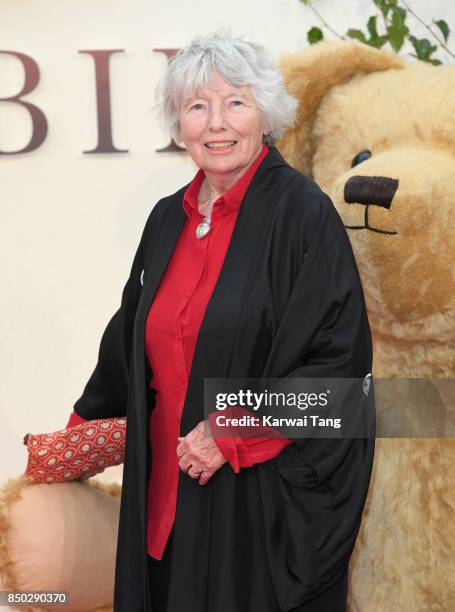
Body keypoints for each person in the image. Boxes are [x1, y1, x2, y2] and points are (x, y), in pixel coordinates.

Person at [66, 32, 375, 612]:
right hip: (159, 510)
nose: (216, 123)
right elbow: (129, 342)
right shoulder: (165, 220)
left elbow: (341, 382)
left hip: (252, 514)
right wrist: (74, 439)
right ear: (179, 123)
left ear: (266, 113)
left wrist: (229, 428)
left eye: (235, 101)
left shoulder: (304, 216)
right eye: (197, 106)